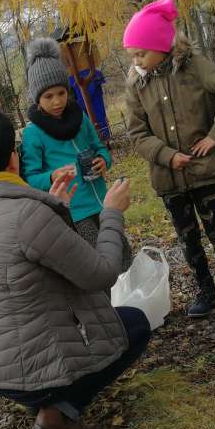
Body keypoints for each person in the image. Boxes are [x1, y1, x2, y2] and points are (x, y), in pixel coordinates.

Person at [0, 110, 152, 429]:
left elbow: (38, 255)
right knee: (135, 324)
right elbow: (101, 274)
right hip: (23, 371)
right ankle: (58, 409)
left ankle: (42, 396)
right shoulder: (27, 215)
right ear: (12, 160)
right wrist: (112, 213)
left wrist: (55, 207)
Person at [123, 0, 215, 324]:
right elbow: (137, 132)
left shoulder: (194, 66)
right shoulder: (137, 84)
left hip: (202, 169)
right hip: (168, 177)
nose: (136, 60)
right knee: (187, 236)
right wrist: (166, 156)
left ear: (160, 45)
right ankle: (205, 289)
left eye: (141, 53)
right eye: (133, 54)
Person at [20, 37, 132, 272]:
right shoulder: (33, 134)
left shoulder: (79, 117)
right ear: (37, 99)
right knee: (96, 261)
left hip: (102, 200)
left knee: (120, 253)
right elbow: (30, 177)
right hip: (74, 210)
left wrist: (105, 160)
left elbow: (99, 146)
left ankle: (128, 299)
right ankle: (106, 304)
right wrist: (51, 177)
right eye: (48, 96)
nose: (57, 101)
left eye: (61, 93)